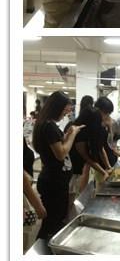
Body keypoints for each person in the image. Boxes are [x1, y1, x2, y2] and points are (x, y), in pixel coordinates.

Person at [32, 91, 85, 239]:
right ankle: (42, 249)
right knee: (51, 223)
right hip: (53, 183)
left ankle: (46, 246)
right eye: (64, 111)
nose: (65, 114)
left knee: (54, 221)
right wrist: (73, 135)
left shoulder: (47, 124)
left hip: (55, 181)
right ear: (57, 107)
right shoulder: (49, 126)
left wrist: (67, 135)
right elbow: (61, 154)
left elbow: (57, 146)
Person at [69, 107, 110, 200]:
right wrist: (104, 172)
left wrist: (108, 167)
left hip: (78, 167)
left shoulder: (90, 131)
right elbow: (85, 156)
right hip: (71, 168)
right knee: (70, 196)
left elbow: (100, 149)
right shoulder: (79, 131)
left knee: (74, 194)